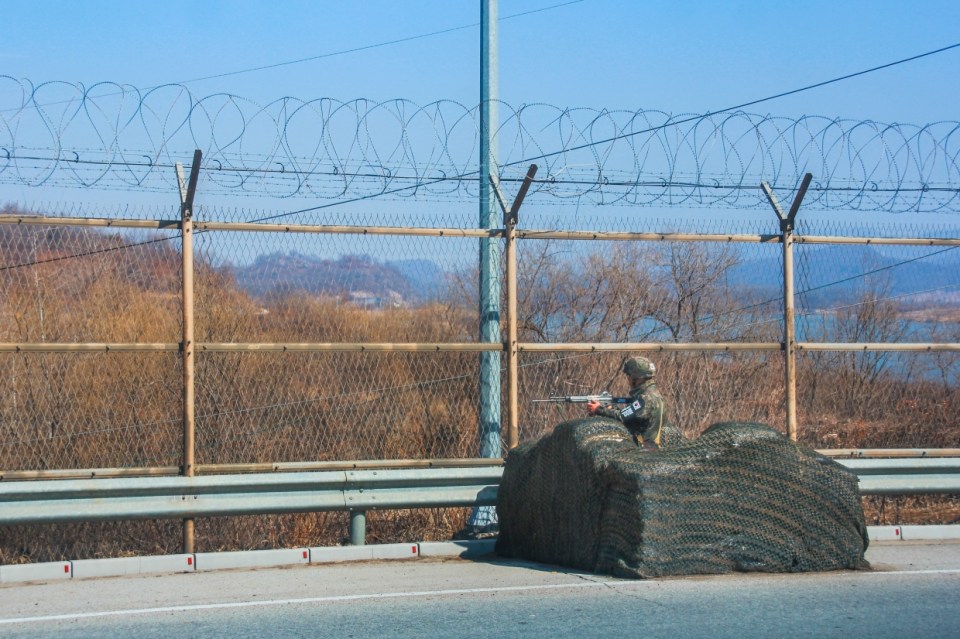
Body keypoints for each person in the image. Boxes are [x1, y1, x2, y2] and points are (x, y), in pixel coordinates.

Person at [586, 356, 668, 449]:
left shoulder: (644, 399)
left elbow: (622, 416)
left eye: (629, 376)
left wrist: (598, 409)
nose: (628, 379)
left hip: (645, 450)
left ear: (636, 377)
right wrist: (611, 409)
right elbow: (631, 417)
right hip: (653, 448)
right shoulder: (655, 395)